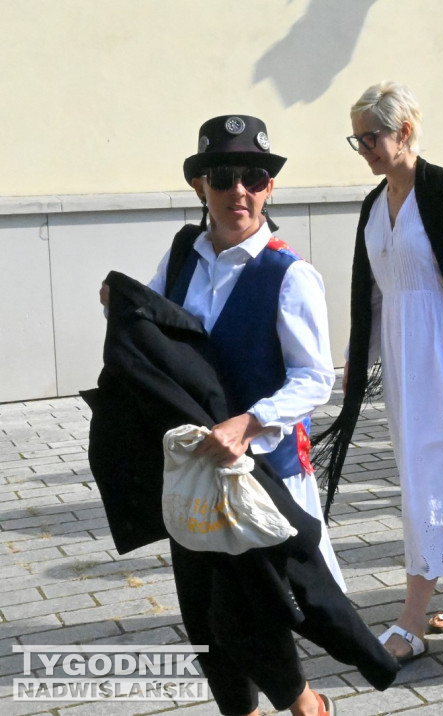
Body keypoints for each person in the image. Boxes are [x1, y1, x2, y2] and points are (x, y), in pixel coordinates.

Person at [102, 114, 370, 716]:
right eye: (224, 177)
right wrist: (119, 308)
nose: (239, 191)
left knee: (258, 609)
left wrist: (249, 422)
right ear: (202, 187)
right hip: (196, 474)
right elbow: (151, 331)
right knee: (205, 617)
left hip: (263, 473)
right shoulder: (181, 258)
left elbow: (314, 379)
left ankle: (305, 705)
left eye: (253, 176)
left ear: (270, 187)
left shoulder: (289, 275)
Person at [320, 82, 443, 663]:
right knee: (441, 473)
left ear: (404, 132)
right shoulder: (373, 203)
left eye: (372, 137)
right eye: (356, 139)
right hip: (407, 362)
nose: (364, 148)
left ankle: (411, 619)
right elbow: (375, 295)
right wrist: (359, 366)